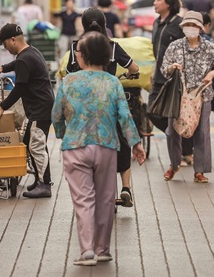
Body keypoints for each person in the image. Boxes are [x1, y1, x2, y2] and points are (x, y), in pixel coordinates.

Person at [52, 32, 146, 266]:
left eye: (78, 52)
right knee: (106, 198)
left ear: (83, 56)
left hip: (76, 146)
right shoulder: (113, 82)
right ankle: (103, 249)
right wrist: (136, 143)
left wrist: (63, 135)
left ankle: (87, 251)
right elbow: (125, 116)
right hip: (106, 146)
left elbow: (56, 115)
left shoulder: (69, 81)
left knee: (83, 199)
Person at [65, 8, 141, 208]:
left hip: (83, 112)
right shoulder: (113, 47)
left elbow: (68, 76)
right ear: (104, 24)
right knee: (122, 144)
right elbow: (134, 68)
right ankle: (125, 188)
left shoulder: (76, 48)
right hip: (110, 107)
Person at [0, 23, 56, 198]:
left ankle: (45, 185)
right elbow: (17, 64)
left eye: (5, 43)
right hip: (41, 107)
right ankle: (39, 180)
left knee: (36, 145)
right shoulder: (31, 52)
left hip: (40, 109)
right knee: (28, 141)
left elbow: (19, 89)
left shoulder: (25, 59)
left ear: (13, 40)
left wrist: (1, 107)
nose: (5, 47)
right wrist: (2, 68)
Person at [160, 11, 214, 184]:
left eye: (194, 26)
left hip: (202, 95)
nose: (190, 29)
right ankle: (174, 164)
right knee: (172, 131)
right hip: (178, 96)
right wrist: (171, 68)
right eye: (187, 25)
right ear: (183, 27)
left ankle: (199, 171)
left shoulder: (209, 47)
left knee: (202, 132)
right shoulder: (175, 46)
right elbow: (163, 68)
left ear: (200, 28)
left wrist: (213, 73)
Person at [148, 0, 195, 164]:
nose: (155, 3)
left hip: (176, 77)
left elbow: (191, 47)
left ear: (168, 2)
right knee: (152, 110)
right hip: (160, 76)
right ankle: (180, 138)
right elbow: (156, 50)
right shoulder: (156, 23)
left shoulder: (179, 24)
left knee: (178, 114)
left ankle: (186, 149)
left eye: (158, 0)